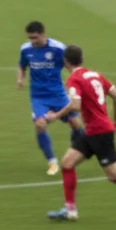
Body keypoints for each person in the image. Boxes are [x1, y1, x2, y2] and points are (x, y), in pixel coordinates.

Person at [45, 45, 116, 224]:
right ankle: (70, 210)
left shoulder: (74, 79)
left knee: (114, 175)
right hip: (93, 131)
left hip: (99, 133)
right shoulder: (95, 75)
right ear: (81, 59)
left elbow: (75, 105)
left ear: (65, 62)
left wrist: (56, 115)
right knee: (67, 163)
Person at [17, 21, 85, 176]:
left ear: (43, 34)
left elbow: (71, 67)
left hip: (58, 94)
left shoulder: (58, 48)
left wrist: (74, 86)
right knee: (40, 125)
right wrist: (20, 78)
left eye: (35, 38)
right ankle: (52, 162)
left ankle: (75, 153)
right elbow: (22, 65)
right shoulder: (26, 49)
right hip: (38, 96)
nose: (32, 41)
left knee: (76, 125)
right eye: (30, 38)